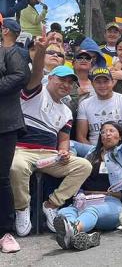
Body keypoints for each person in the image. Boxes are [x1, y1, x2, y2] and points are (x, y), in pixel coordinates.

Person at [53, 89, 122, 251]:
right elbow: (71, 144)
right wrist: (68, 154)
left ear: (119, 137)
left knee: (92, 211)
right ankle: (81, 237)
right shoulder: (90, 153)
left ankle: (73, 230)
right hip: (82, 200)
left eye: (111, 131)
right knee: (64, 212)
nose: (106, 134)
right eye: (103, 132)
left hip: (109, 202)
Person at [11, 33, 92, 237]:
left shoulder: (66, 111)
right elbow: (37, 71)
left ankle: (51, 204)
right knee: (16, 166)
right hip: (23, 150)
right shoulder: (37, 90)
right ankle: (22, 209)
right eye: (61, 80)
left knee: (84, 165)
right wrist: (40, 51)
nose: (65, 85)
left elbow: (63, 138)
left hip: (49, 155)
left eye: (69, 83)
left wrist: (63, 152)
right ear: (51, 78)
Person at [0, 14, 30, 253]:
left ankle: (5, 231)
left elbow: (20, 76)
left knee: (1, 179)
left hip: (5, 125)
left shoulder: (10, 52)